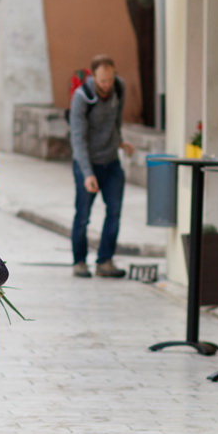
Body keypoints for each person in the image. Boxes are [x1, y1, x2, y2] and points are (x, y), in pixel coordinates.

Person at [68, 54, 134, 279]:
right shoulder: (82, 97)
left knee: (114, 212)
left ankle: (105, 261)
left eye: (110, 79)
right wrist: (87, 174)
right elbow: (78, 139)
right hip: (87, 163)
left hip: (111, 162)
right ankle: (79, 262)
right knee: (83, 216)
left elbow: (116, 120)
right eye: (103, 80)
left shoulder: (119, 87)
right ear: (94, 76)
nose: (107, 85)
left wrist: (120, 141)